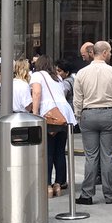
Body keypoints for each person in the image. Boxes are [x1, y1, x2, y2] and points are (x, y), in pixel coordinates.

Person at [72, 40, 112, 206]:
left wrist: (79, 115)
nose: (111, 54)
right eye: (109, 52)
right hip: (108, 112)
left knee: (91, 156)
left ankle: (87, 194)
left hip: (88, 114)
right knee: (108, 156)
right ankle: (110, 194)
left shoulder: (81, 73)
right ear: (103, 53)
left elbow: (77, 99)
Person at [31, 56, 74, 197]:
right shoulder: (57, 77)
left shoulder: (37, 75)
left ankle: (47, 184)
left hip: (48, 115)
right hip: (63, 115)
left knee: (47, 151)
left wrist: (35, 113)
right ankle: (59, 183)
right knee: (60, 150)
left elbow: (37, 93)